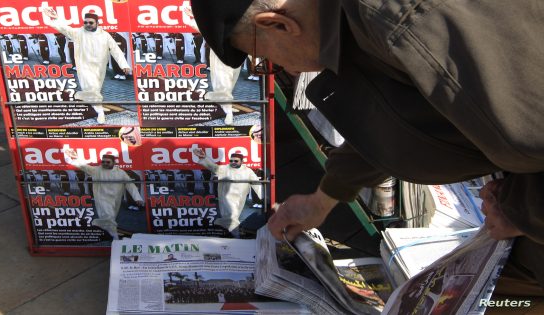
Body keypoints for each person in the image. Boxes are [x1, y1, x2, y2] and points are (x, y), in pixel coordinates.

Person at [190, 0, 544, 295]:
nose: (275, 69)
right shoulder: (355, 28)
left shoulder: (401, 22)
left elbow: (530, 135)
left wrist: (521, 207)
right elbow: (400, 124)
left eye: (262, 59)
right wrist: (322, 199)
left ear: (279, 24)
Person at [43, 8, 131, 123]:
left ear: (97, 23)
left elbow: (115, 50)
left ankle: (83, 96)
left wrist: (124, 64)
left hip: (99, 68)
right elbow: (64, 28)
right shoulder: (78, 33)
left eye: (91, 23)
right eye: (85, 22)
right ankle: (100, 112)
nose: (87, 25)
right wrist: (55, 18)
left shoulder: (105, 35)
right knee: (92, 88)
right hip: (84, 67)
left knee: (95, 88)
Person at [63, 148, 144, 240]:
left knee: (111, 217)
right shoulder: (96, 170)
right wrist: (73, 157)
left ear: (114, 163)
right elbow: (81, 165)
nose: (105, 164)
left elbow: (130, 185)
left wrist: (137, 198)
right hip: (102, 199)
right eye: (103, 162)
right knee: (108, 216)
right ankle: (114, 238)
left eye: (108, 162)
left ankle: (106, 229)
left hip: (116, 199)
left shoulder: (120, 173)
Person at [193, 148, 262, 237]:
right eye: (231, 160)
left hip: (240, 198)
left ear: (242, 161)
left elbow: (256, 183)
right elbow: (213, 167)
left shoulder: (248, 171)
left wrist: (264, 197)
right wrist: (204, 157)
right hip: (226, 198)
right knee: (232, 216)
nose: (233, 162)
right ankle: (236, 237)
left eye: (236, 161)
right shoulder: (225, 168)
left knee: (233, 217)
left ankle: (229, 232)